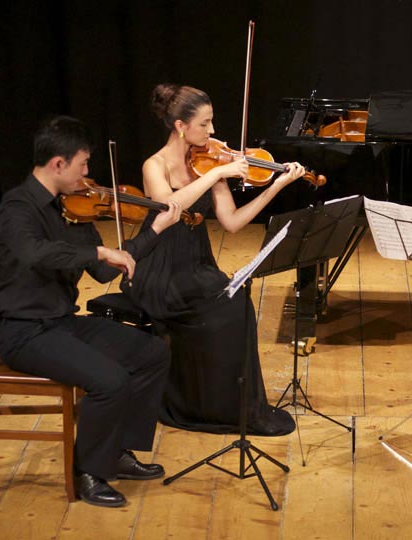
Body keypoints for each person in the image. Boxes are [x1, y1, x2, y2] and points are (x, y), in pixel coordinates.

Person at [0, 116, 182, 508]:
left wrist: (154, 230)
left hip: (60, 323)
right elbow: (36, 253)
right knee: (110, 380)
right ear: (58, 164)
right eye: (82, 164)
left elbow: (101, 270)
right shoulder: (17, 207)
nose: (88, 173)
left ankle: (118, 452)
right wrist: (98, 250)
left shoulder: (73, 208)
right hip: (24, 332)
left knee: (152, 353)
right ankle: (87, 473)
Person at [121, 83, 305, 436]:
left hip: (196, 263)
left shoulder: (209, 162)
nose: (213, 132)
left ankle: (231, 406)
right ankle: (193, 404)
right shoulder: (154, 166)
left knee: (236, 302)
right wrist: (217, 175)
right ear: (180, 126)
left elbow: (232, 223)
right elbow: (170, 209)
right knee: (220, 309)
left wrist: (275, 187)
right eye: (205, 124)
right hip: (160, 268)